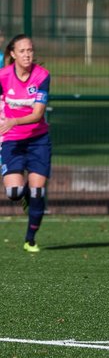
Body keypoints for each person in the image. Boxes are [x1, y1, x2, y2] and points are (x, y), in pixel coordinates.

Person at [1, 35, 53, 253]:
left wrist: (14, 120)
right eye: (22, 51)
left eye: (30, 50)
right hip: (12, 139)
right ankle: (26, 199)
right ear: (12, 54)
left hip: (38, 140)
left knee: (37, 192)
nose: (27, 55)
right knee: (14, 191)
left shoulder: (42, 76)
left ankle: (30, 239)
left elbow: (37, 113)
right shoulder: (3, 76)